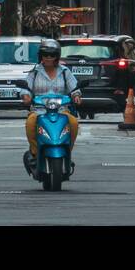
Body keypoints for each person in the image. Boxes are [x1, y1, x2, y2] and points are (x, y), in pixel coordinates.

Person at [19, 39, 82, 174]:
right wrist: (26, 97)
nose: (48, 58)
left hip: (61, 110)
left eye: (51, 55)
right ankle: (35, 154)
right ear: (40, 56)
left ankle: (66, 152)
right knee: (30, 123)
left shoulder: (65, 72)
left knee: (73, 123)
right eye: (45, 55)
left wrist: (76, 96)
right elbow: (26, 90)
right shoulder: (34, 72)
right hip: (39, 110)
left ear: (57, 57)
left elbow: (74, 89)